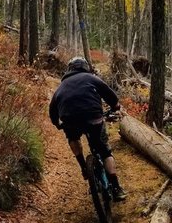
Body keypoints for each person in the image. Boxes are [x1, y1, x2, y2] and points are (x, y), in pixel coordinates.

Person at [49, 56, 127, 202]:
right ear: (86, 67)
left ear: (69, 69)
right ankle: (116, 187)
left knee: (73, 137)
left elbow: (52, 109)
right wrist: (115, 107)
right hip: (93, 118)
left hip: (70, 120)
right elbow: (111, 96)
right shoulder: (92, 78)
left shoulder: (62, 86)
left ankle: (84, 167)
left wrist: (57, 124)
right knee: (104, 150)